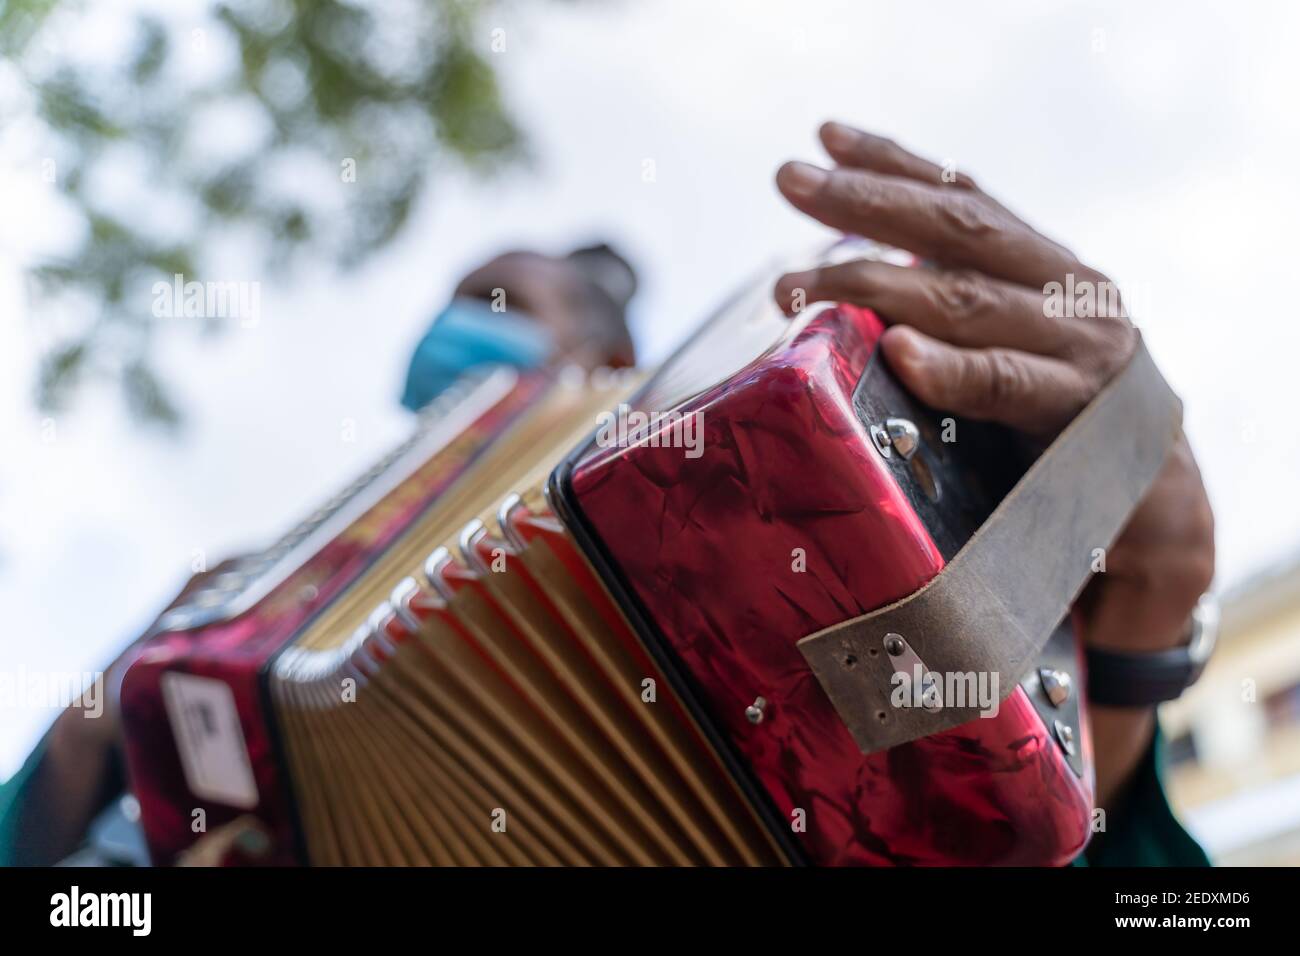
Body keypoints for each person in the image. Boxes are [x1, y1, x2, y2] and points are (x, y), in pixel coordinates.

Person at [0, 126, 1214, 866]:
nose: (453, 332)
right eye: (453, 302)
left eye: (499, 301)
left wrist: (1133, 645)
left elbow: (990, 821)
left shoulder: (776, 492)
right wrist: (90, 737)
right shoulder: (248, 606)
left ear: (607, 360)